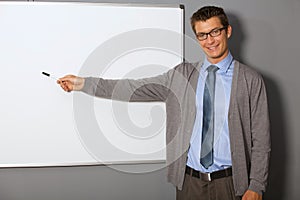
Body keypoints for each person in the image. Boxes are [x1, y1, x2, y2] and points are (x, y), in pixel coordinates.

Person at [58, 6, 270, 200]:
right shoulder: (182, 75)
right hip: (189, 183)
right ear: (197, 38)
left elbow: (261, 139)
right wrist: (83, 83)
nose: (210, 40)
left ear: (228, 31)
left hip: (232, 184)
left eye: (215, 31)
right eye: (202, 35)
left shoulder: (250, 80)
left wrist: (256, 186)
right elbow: (133, 88)